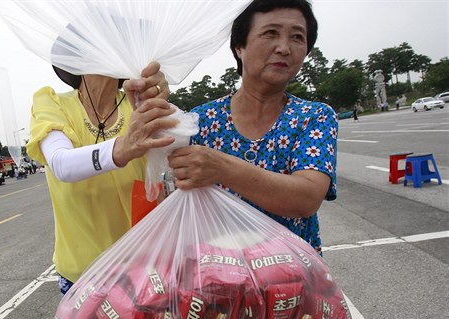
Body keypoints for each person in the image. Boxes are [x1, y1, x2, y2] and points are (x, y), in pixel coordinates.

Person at [167, 0, 338, 255]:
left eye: (297, 37)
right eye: (271, 33)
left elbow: (306, 198)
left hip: (292, 280)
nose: (284, 48)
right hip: (218, 276)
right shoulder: (200, 121)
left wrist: (220, 167)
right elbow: (171, 194)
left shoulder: (313, 117)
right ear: (239, 47)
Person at [26, 61, 176, 294]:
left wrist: (161, 104)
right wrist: (123, 147)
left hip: (145, 266)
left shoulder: (137, 103)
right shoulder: (52, 103)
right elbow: (61, 164)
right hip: (84, 275)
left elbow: (176, 153)